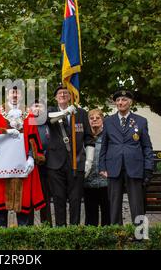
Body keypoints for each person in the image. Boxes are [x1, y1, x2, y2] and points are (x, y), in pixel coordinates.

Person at [0, 85, 46, 227]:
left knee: (23, 202)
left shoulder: (28, 113)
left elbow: (33, 136)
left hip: (22, 162)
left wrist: (31, 157)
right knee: (1, 202)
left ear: (22, 95)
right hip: (2, 163)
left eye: (18, 92)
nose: (15, 95)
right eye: (12, 92)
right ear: (7, 94)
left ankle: (22, 237)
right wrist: (5, 131)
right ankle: (2, 234)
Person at [99, 90, 154, 225]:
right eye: (118, 100)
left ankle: (140, 236)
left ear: (130, 102)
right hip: (113, 167)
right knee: (114, 205)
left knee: (137, 205)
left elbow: (147, 147)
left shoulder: (141, 121)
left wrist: (148, 169)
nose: (120, 103)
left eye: (123, 100)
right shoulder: (108, 121)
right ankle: (117, 236)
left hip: (135, 168)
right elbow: (104, 146)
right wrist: (102, 167)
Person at [46, 83, 95, 226]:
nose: (63, 95)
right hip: (55, 164)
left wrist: (89, 162)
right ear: (55, 97)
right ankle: (61, 232)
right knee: (58, 200)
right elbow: (50, 119)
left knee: (75, 201)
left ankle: (74, 232)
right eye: (60, 93)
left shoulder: (81, 114)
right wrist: (67, 112)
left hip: (76, 162)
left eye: (66, 93)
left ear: (71, 96)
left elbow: (89, 138)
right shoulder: (50, 111)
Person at [83, 109, 110, 226]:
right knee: (90, 217)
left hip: (106, 182)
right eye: (91, 118)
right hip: (88, 182)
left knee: (107, 214)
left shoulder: (108, 136)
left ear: (102, 120)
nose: (94, 120)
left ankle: (107, 240)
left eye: (97, 118)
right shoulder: (83, 137)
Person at [28, 99, 52, 226]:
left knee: (45, 199)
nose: (37, 109)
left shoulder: (49, 124)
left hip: (46, 167)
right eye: (34, 106)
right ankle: (29, 228)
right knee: (29, 199)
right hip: (31, 167)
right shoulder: (27, 123)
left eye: (40, 106)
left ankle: (47, 227)